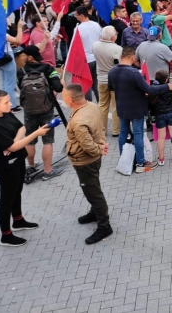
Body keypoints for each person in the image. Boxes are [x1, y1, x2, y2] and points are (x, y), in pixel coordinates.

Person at [0, 90, 47, 246]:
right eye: (6, 102)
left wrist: (12, 144)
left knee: (17, 191)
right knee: (7, 198)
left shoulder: (6, 113)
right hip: (4, 166)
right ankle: (6, 235)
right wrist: (36, 134)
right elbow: (16, 144)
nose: (10, 104)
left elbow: (21, 128)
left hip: (17, 159)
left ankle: (18, 221)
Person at [61, 83, 112, 245]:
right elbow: (100, 127)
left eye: (63, 97)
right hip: (93, 158)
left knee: (93, 191)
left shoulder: (78, 121)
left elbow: (88, 146)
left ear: (70, 100)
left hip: (85, 161)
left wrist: (99, 148)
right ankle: (94, 213)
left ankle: (104, 225)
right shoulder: (91, 105)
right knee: (93, 186)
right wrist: (102, 145)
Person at [108, 45, 171, 173]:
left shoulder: (112, 71)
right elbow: (149, 90)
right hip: (136, 109)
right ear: (132, 57)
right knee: (138, 134)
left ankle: (124, 159)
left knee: (123, 134)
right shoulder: (134, 73)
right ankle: (140, 162)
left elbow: (111, 88)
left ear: (121, 56)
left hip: (121, 107)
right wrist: (166, 87)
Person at [17, 45, 64, 181]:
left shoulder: (21, 71)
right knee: (47, 141)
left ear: (29, 57)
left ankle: (30, 166)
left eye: (24, 55)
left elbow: (20, 87)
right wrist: (60, 82)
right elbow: (58, 88)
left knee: (30, 140)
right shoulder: (48, 69)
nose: (22, 57)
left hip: (29, 111)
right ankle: (48, 171)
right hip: (47, 109)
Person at [92, 26, 122, 138]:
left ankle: (102, 130)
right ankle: (116, 130)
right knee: (115, 106)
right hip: (115, 81)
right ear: (113, 38)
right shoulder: (117, 49)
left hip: (101, 79)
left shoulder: (95, 46)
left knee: (102, 105)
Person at [148, 70, 172, 165]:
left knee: (161, 137)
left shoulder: (153, 89)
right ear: (166, 79)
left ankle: (161, 159)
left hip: (159, 114)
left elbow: (151, 104)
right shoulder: (170, 88)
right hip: (171, 113)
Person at [75, 6, 102, 101]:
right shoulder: (96, 25)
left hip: (85, 59)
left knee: (86, 84)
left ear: (81, 15)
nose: (75, 16)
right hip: (96, 57)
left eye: (76, 15)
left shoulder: (79, 28)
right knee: (96, 83)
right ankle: (101, 104)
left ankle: (89, 105)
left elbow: (76, 46)